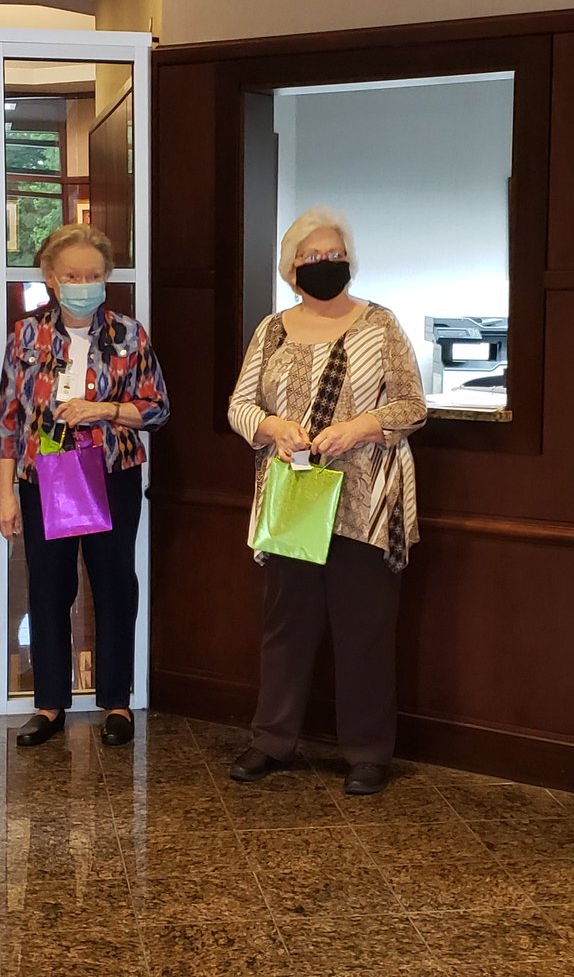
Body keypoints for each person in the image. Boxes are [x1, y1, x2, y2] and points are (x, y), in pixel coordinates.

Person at [226, 208, 426, 795]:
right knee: (286, 623)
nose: (324, 263)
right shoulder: (271, 330)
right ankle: (272, 740)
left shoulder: (380, 326)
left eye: (333, 254)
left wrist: (361, 426)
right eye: (311, 256)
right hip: (293, 496)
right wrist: (272, 427)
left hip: (366, 501)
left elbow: (413, 406)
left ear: (350, 261)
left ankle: (368, 751)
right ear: (291, 268)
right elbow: (240, 406)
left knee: (365, 627)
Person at [0, 224, 169, 748]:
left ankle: (116, 701)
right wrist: (5, 493)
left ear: (107, 277)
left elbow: (157, 408)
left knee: (114, 586)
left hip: (112, 475)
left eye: (93, 275)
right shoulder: (26, 336)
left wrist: (106, 410)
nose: (83, 284)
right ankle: (49, 705)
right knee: (48, 589)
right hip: (44, 478)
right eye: (72, 276)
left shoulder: (129, 335)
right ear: (51, 278)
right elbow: (8, 421)